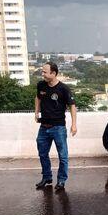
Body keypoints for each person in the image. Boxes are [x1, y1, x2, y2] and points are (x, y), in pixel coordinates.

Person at [34, 62, 77, 191]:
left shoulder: (63, 88)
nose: (42, 74)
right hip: (43, 127)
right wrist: (36, 111)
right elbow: (37, 98)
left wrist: (74, 124)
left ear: (53, 73)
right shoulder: (41, 85)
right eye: (42, 71)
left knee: (63, 156)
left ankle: (61, 180)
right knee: (42, 154)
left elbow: (72, 106)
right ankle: (47, 177)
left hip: (58, 127)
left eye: (45, 72)